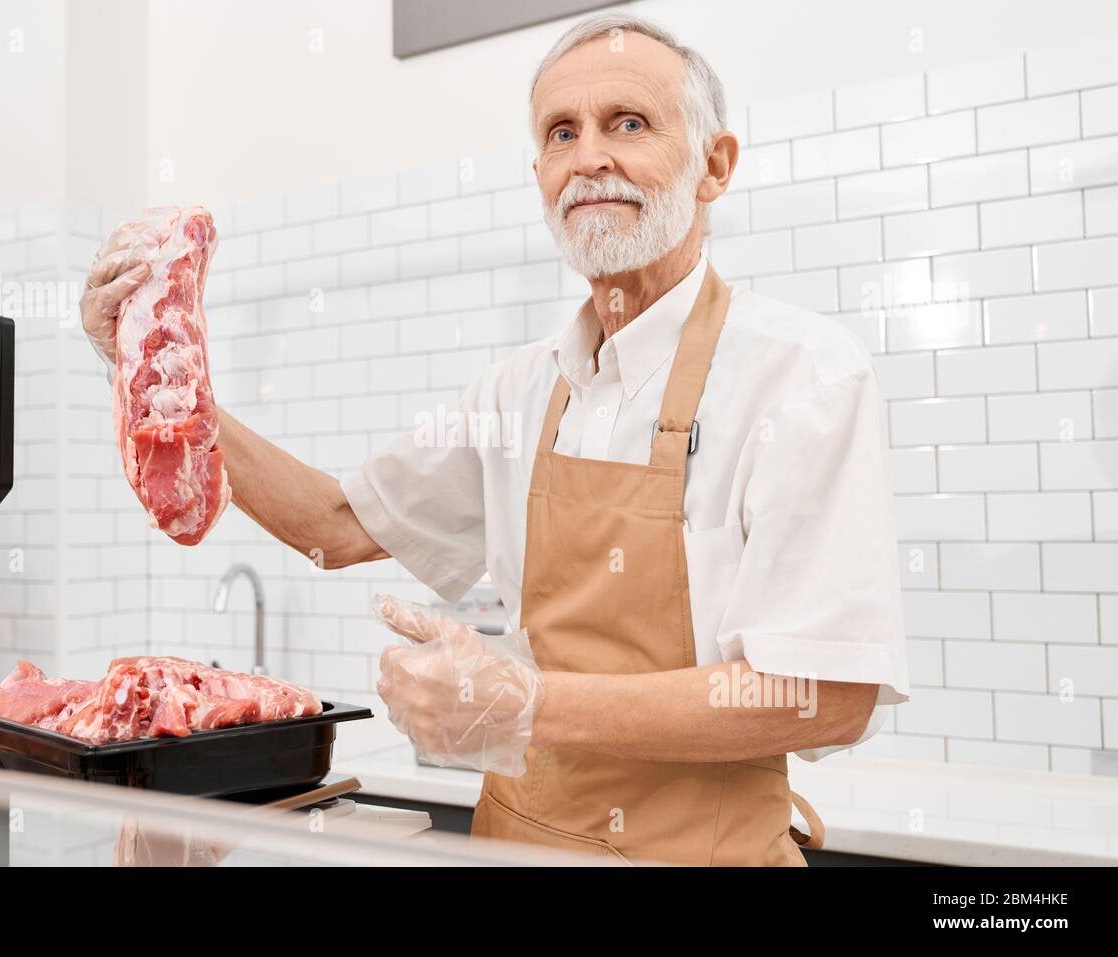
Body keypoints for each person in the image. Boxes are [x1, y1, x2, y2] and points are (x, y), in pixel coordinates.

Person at [81, 13, 909, 866]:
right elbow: (333, 522)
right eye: (561, 133)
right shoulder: (521, 390)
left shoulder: (803, 376)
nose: (589, 157)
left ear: (714, 165)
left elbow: (825, 694)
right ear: (541, 173)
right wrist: (153, 371)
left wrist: (529, 705)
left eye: (628, 123)